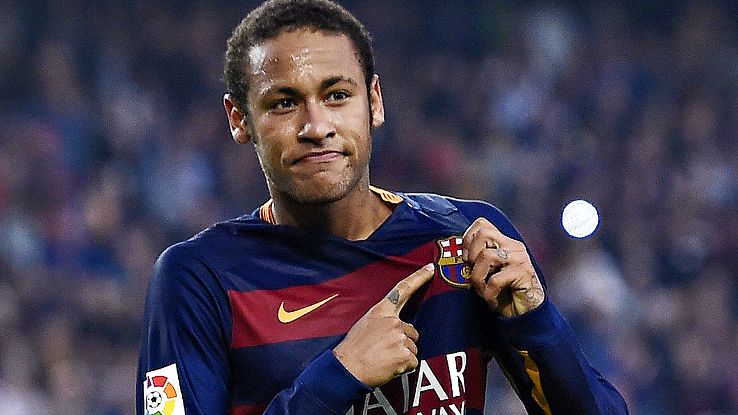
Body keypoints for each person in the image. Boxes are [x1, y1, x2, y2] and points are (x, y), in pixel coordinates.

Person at [137, 0, 629, 414]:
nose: (316, 127)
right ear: (239, 119)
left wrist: (536, 321)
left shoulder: (464, 240)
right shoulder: (199, 280)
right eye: (284, 103)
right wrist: (339, 375)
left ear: (373, 102)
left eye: (337, 95)